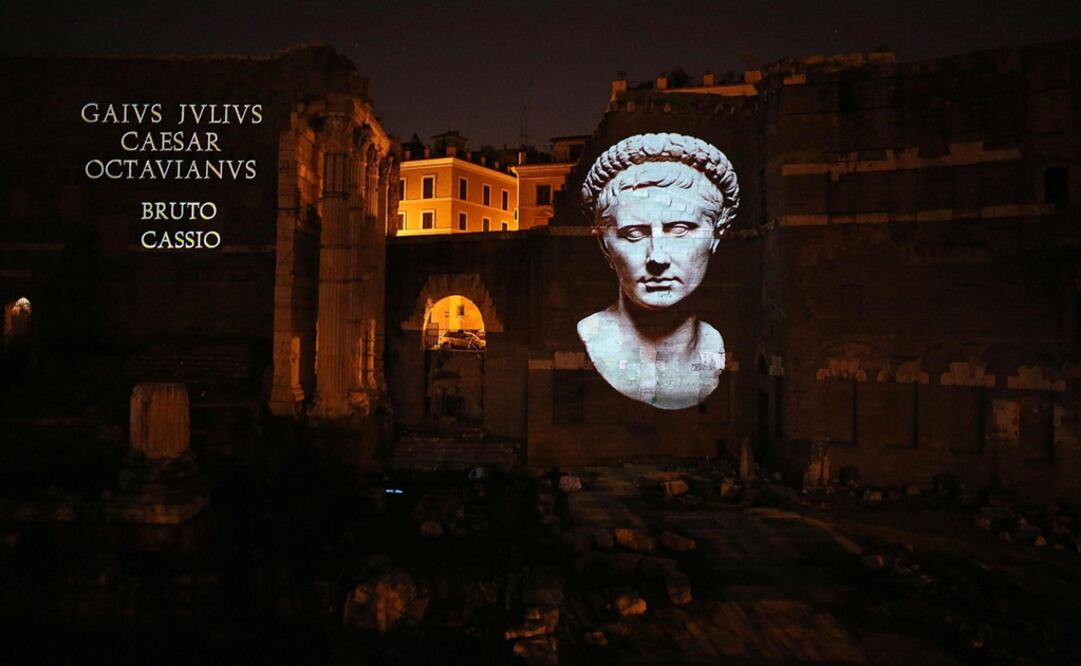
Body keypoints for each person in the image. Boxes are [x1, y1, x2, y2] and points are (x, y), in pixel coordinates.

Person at [577, 133, 739, 410]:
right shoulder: (591, 336)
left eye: (679, 230)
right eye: (634, 234)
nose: (657, 257)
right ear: (604, 245)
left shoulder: (717, 346)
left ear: (716, 236)